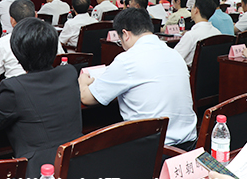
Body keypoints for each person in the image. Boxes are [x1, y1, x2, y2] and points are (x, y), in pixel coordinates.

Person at [0, 18, 82, 178]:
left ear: (18, 54)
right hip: (77, 161)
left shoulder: (15, 88)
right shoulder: (69, 73)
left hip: (40, 172)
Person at [79, 8, 197, 150]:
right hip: (189, 144)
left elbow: (87, 98)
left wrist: (82, 82)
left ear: (125, 34)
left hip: (155, 149)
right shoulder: (174, 54)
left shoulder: (127, 60)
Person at [0, 0, 65, 83]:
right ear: (36, 15)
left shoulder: (4, 42)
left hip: (15, 87)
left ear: (12, 21)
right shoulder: (50, 35)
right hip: (48, 85)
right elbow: (62, 61)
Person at [173, 0, 221, 66]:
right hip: (211, 72)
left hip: (189, 71)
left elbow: (173, 58)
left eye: (193, 7)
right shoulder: (218, 33)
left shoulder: (191, 35)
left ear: (196, 10)